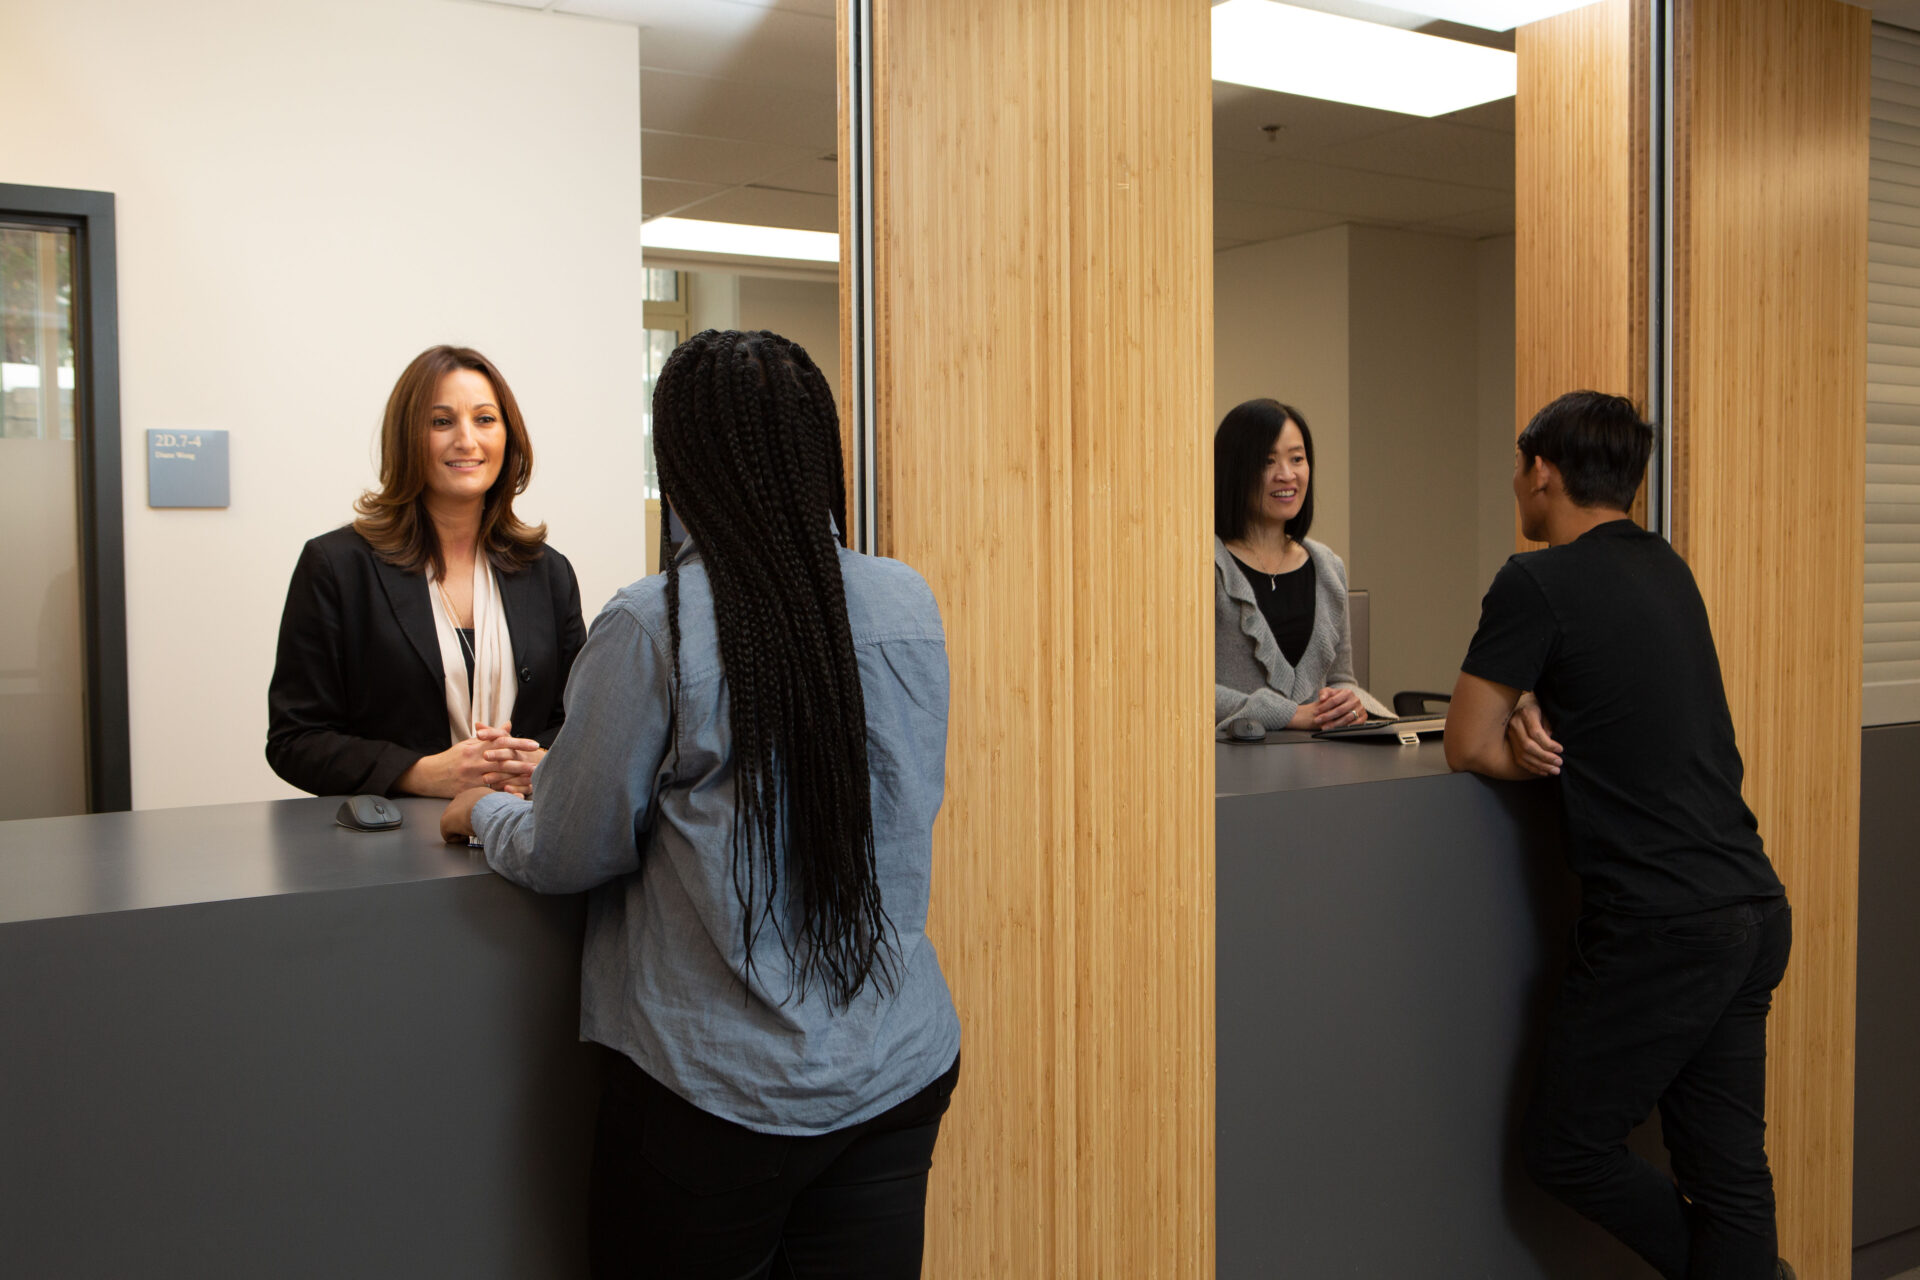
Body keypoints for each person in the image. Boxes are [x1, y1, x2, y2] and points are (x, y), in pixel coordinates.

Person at [440, 329, 961, 1280]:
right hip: (894, 1070)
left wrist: (479, 812)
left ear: (677, 460)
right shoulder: (903, 602)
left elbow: (567, 849)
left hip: (719, 1100)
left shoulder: (656, 623)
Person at [1444, 391, 1794, 1280]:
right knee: (1729, 1174)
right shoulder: (1666, 567)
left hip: (1662, 924)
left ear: (1542, 471)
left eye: (1519, 468)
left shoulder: (1534, 581)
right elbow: (1609, 688)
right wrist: (1532, 695)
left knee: (1567, 1147)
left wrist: (1524, 725)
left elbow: (1466, 744)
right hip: (1750, 905)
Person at [267, 345, 585, 798]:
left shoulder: (548, 573)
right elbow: (294, 740)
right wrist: (418, 774)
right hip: (395, 850)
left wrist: (544, 761)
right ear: (407, 437)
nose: (466, 440)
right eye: (441, 422)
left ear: (508, 436)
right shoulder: (336, 567)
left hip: (529, 840)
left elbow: (581, 720)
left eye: (485, 419)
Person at [1214, 398, 1387, 731]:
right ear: (1234, 469)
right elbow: (1180, 689)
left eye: (1297, 459)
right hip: (1227, 771)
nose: (1287, 475)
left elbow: (1340, 679)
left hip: (1318, 771)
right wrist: (1288, 715)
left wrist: (1350, 703)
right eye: (1267, 461)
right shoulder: (1206, 564)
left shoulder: (1328, 566)